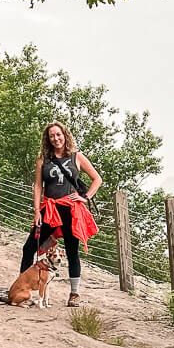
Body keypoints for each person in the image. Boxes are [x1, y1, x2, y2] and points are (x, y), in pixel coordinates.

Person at [18, 121, 102, 306]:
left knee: (72, 251)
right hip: (49, 209)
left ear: (65, 135)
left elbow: (97, 179)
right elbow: (38, 186)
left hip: (71, 210)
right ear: (47, 139)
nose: (56, 139)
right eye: (52, 136)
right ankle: (21, 286)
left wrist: (85, 197)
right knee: (29, 247)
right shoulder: (43, 160)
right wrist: (36, 211)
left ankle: (74, 294)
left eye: (58, 135)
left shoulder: (77, 157)